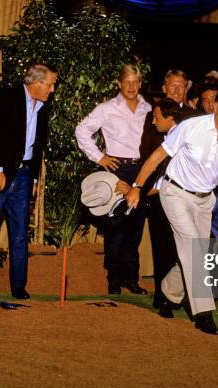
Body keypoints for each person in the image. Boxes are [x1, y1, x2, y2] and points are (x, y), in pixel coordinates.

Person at [126, 87, 218, 335]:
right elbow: (158, 155)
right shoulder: (191, 126)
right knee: (194, 248)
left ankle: (166, 294)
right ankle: (203, 314)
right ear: (215, 105)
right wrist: (137, 186)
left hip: (205, 201)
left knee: (196, 254)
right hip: (175, 192)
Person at [0, 64, 57, 299]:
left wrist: (35, 179)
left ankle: (19, 286)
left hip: (23, 176)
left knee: (19, 234)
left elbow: (37, 147)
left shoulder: (43, 107)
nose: (52, 89)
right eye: (50, 84)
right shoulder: (7, 98)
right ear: (37, 82)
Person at [75, 64, 151, 295]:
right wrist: (100, 157)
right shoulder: (107, 108)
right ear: (119, 83)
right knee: (116, 226)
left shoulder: (148, 108)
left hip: (141, 170)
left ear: (140, 83)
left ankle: (131, 278)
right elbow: (82, 130)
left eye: (135, 81)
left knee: (135, 228)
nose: (131, 86)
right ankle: (114, 279)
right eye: (126, 81)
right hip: (117, 168)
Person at [136, 70, 197, 308]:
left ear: (186, 89)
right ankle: (163, 298)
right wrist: (151, 185)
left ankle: (188, 297)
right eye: (172, 86)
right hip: (158, 193)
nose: (176, 90)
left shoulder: (195, 117)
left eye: (181, 86)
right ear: (164, 87)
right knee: (162, 245)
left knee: (188, 246)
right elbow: (147, 153)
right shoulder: (154, 116)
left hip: (188, 192)